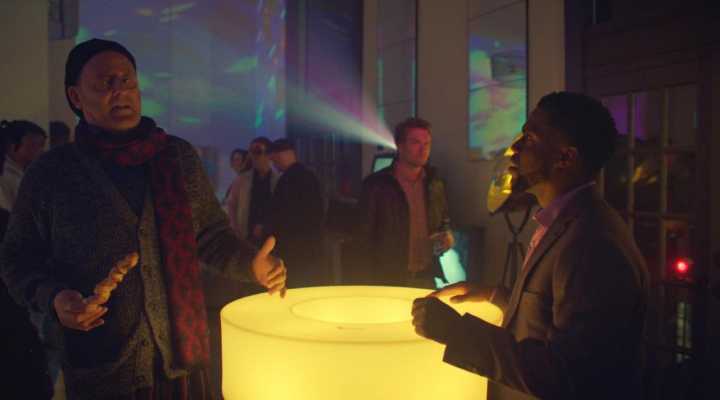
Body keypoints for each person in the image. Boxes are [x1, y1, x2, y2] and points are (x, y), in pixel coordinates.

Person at [0, 38, 287, 400]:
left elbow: (210, 235)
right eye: (106, 83)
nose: (120, 91)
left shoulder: (177, 157)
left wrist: (251, 264)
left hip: (183, 362)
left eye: (127, 81)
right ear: (75, 97)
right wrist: (54, 298)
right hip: (101, 368)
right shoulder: (51, 174)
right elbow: (16, 258)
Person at [412, 92, 649, 400]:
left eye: (530, 138)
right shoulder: (562, 222)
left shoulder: (593, 244)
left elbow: (568, 375)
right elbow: (550, 317)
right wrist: (495, 295)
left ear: (565, 158)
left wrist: (456, 332)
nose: (515, 149)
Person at [350, 117, 453, 288]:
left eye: (427, 144)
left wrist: (446, 235)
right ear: (400, 145)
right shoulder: (377, 185)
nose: (423, 150)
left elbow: (443, 221)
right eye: (415, 143)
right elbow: (362, 239)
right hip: (387, 279)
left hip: (426, 277)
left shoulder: (435, 184)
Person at [267, 138, 325, 288]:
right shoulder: (310, 176)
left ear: (281, 155)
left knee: (295, 285)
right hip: (310, 245)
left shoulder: (286, 180)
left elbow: (280, 214)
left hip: (292, 247)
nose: (274, 164)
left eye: (274, 160)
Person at [225, 137, 279, 242]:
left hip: (271, 238)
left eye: (257, 152)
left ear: (269, 155)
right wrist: (235, 229)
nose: (253, 156)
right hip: (245, 237)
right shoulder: (242, 179)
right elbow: (231, 205)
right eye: (251, 152)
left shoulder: (278, 180)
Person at [0, 119, 47, 210]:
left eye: (42, 146)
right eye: (35, 145)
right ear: (13, 146)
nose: (42, 151)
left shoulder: (23, 172)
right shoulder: (6, 177)